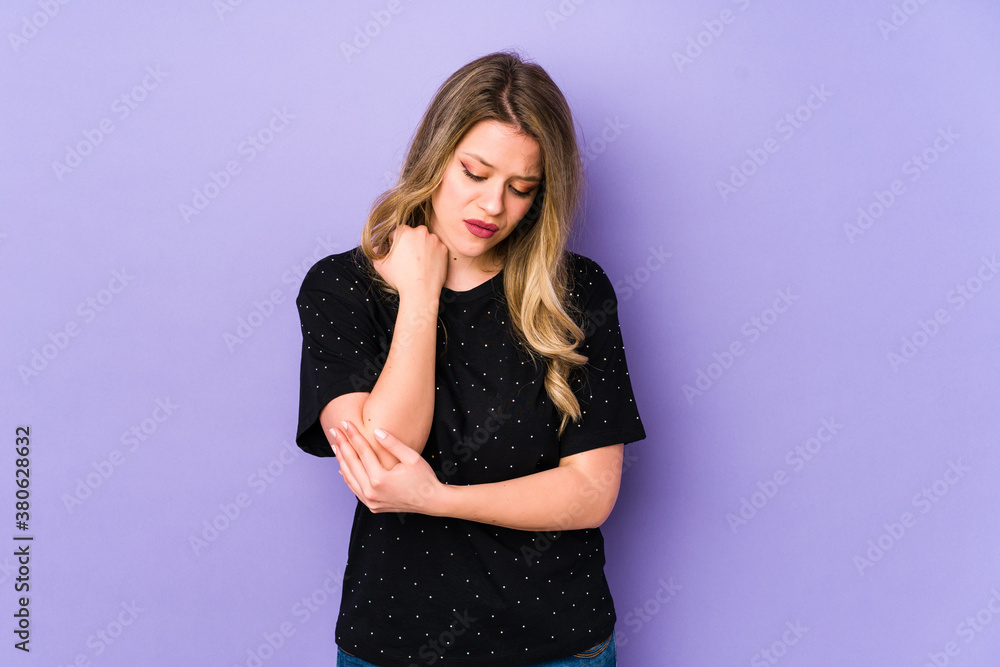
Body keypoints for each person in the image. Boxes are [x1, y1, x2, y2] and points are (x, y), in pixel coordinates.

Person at [295, 50, 645, 667]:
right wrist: (421, 294)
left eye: (520, 188)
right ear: (435, 158)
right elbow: (382, 458)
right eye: (474, 173)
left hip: (557, 646)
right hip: (397, 646)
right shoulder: (341, 288)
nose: (492, 207)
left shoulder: (576, 292)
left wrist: (437, 498)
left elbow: (591, 492)